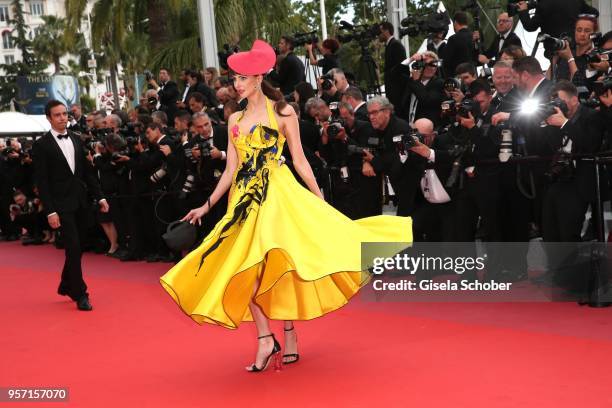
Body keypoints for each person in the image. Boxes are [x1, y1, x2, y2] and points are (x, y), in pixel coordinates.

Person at [159, 40, 411, 372]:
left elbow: (301, 161)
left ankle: (288, 332)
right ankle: (266, 338)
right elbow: (232, 169)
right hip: (244, 199)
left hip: (278, 194)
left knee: (282, 262)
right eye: (233, 78)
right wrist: (206, 205)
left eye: (240, 78)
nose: (235, 84)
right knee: (245, 267)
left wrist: (320, 203)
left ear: (257, 78)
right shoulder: (234, 118)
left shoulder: (283, 111)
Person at [32, 100, 109, 311]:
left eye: (64, 114)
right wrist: (51, 211)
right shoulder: (41, 146)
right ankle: (80, 293)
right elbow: (43, 182)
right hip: (60, 205)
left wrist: (100, 197)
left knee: (78, 247)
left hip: (80, 202)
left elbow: (87, 172)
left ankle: (66, 283)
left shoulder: (76, 139)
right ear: (49, 118)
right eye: (57, 115)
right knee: (73, 247)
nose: (62, 118)